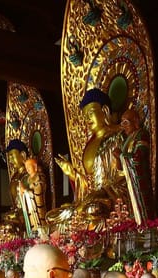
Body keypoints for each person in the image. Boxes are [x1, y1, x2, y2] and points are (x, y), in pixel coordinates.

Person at [48, 88, 133, 231]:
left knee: (92, 209)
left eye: (90, 113)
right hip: (90, 198)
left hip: (110, 198)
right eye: (84, 115)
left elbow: (126, 174)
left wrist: (104, 189)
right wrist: (72, 174)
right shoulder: (89, 145)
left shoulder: (118, 136)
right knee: (53, 216)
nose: (87, 119)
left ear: (105, 111)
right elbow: (88, 183)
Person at [17, 158, 48, 233]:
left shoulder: (39, 176)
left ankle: (41, 233)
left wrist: (26, 191)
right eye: (26, 167)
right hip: (29, 206)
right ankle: (32, 233)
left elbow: (39, 188)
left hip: (37, 206)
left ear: (35, 166)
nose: (27, 169)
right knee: (30, 222)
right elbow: (23, 192)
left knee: (40, 222)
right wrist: (21, 192)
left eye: (29, 166)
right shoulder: (26, 179)